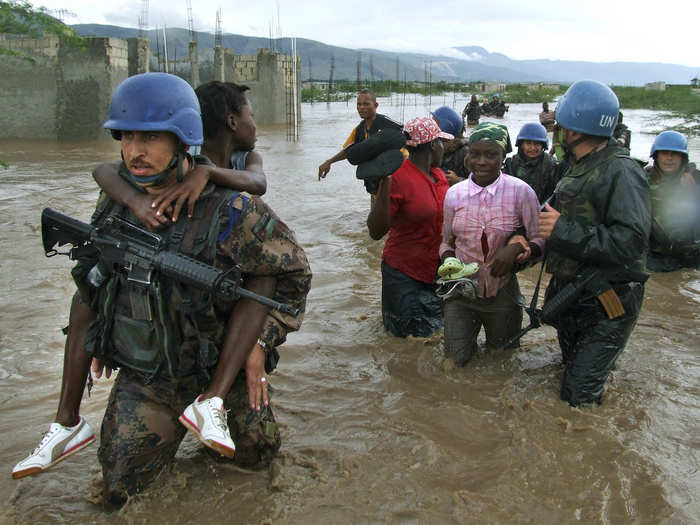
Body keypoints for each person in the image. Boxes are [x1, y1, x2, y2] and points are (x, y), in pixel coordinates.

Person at [15, 74, 312, 507]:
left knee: (256, 464)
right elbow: (95, 277)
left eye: (151, 137)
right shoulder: (117, 199)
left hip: (219, 372)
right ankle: (67, 424)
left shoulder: (231, 208)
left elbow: (292, 275)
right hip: (149, 378)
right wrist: (102, 335)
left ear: (182, 140)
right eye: (127, 136)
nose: (135, 150)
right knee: (120, 490)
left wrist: (260, 343)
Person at [537, 80, 650, 407]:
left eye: (560, 127)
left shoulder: (622, 172)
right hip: (573, 298)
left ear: (573, 132)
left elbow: (631, 242)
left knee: (577, 400)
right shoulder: (577, 169)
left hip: (607, 304)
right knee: (568, 374)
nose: (556, 134)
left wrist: (562, 230)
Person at [440, 122, 544, 365]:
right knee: (454, 364)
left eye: (491, 155)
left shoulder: (522, 192)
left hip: (503, 294)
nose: (482, 161)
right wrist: (449, 262)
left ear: (504, 156)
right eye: (475, 154)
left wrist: (516, 249)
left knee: (502, 363)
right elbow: (445, 242)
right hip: (461, 293)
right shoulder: (454, 195)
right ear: (467, 156)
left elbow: (540, 240)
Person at [367, 116, 452, 337]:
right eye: (441, 142)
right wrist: (383, 185)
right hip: (404, 275)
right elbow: (376, 232)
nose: (444, 147)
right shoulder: (397, 178)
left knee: (432, 337)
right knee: (403, 341)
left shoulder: (438, 175)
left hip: (435, 272)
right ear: (433, 145)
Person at [645, 130, 700, 271]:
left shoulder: (695, 179)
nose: (669, 158)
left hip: (689, 256)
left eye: (674, 153)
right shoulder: (642, 179)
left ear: (683, 157)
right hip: (654, 256)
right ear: (656, 156)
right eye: (664, 153)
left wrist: (693, 191)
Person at [318, 88, 402, 180]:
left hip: (393, 179)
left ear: (375, 105)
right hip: (375, 181)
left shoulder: (388, 124)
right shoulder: (359, 129)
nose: (362, 107)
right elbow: (349, 151)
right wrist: (329, 162)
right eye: (359, 104)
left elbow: (405, 146)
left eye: (366, 104)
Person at [503, 122, 562, 204]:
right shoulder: (512, 164)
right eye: (528, 143)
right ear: (521, 145)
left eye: (537, 144)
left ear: (543, 145)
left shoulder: (551, 164)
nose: (532, 148)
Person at [432, 106, 469, 185]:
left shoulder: (465, 153)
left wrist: (458, 181)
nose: (429, 126)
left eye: (433, 124)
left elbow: (480, 183)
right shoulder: (432, 145)